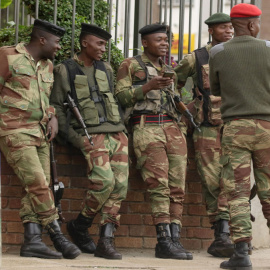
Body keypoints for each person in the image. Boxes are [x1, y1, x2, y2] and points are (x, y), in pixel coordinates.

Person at [0, 19, 81, 259]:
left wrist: (53, 116)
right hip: (15, 130)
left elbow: (44, 99)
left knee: (38, 186)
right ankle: (57, 236)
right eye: (56, 42)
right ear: (42, 39)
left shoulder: (47, 66)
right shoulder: (7, 56)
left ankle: (32, 241)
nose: (58, 47)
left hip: (41, 132)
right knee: (38, 184)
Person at [50, 23, 129, 260]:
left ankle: (106, 240)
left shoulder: (106, 68)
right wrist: (75, 138)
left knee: (120, 187)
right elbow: (57, 107)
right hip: (90, 135)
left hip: (117, 133)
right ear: (85, 43)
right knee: (104, 182)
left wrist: (122, 129)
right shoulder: (65, 69)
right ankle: (80, 225)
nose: (104, 48)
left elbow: (112, 100)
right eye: (100, 43)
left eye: (105, 44)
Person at [115, 23, 192, 260]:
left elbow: (179, 100)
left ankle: (175, 238)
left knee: (177, 186)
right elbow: (121, 97)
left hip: (172, 128)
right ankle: (163, 241)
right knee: (159, 185)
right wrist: (148, 86)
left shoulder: (169, 69)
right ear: (145, 43)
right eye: (159, 40)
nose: (164, 44)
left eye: (166, 40)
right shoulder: (130, 65)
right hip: (146, 126)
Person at [209, 4, 270, 270]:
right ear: (253, 25)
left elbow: (216, 88)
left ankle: (242, 253)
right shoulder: (269, 48)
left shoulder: (218, 52)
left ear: (234, 25)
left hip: (235, 127)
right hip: (268, 126)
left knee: (238, 192)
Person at [174, 13, 234, 258]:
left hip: (234, 126)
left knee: (232, 180)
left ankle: (235, 233)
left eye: (231, 27)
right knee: (211, 180)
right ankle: (221, 233)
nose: (229, 31)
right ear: (211, 31)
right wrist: (184, 107)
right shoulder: (196, 57)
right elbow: (172, 84)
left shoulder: (237, 54)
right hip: (207, 127)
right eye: (223, 27)